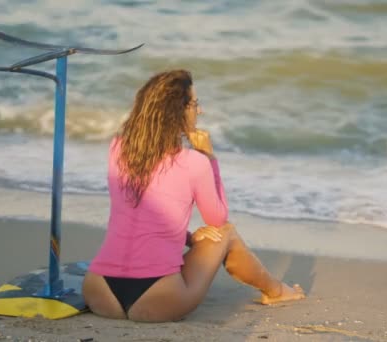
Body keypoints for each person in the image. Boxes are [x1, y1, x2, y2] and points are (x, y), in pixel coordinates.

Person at [82, 69, 304, 322]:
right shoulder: (194, 162)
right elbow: (217, 220)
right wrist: (209, 158)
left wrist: (188, 237)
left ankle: (276, 291)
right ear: (178, 110)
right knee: (227, 233)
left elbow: (140, 214)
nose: (200, 111)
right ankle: (276, 292)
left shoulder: (118, 148)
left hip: (100, 292)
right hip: (156, 299)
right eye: (195, 104)